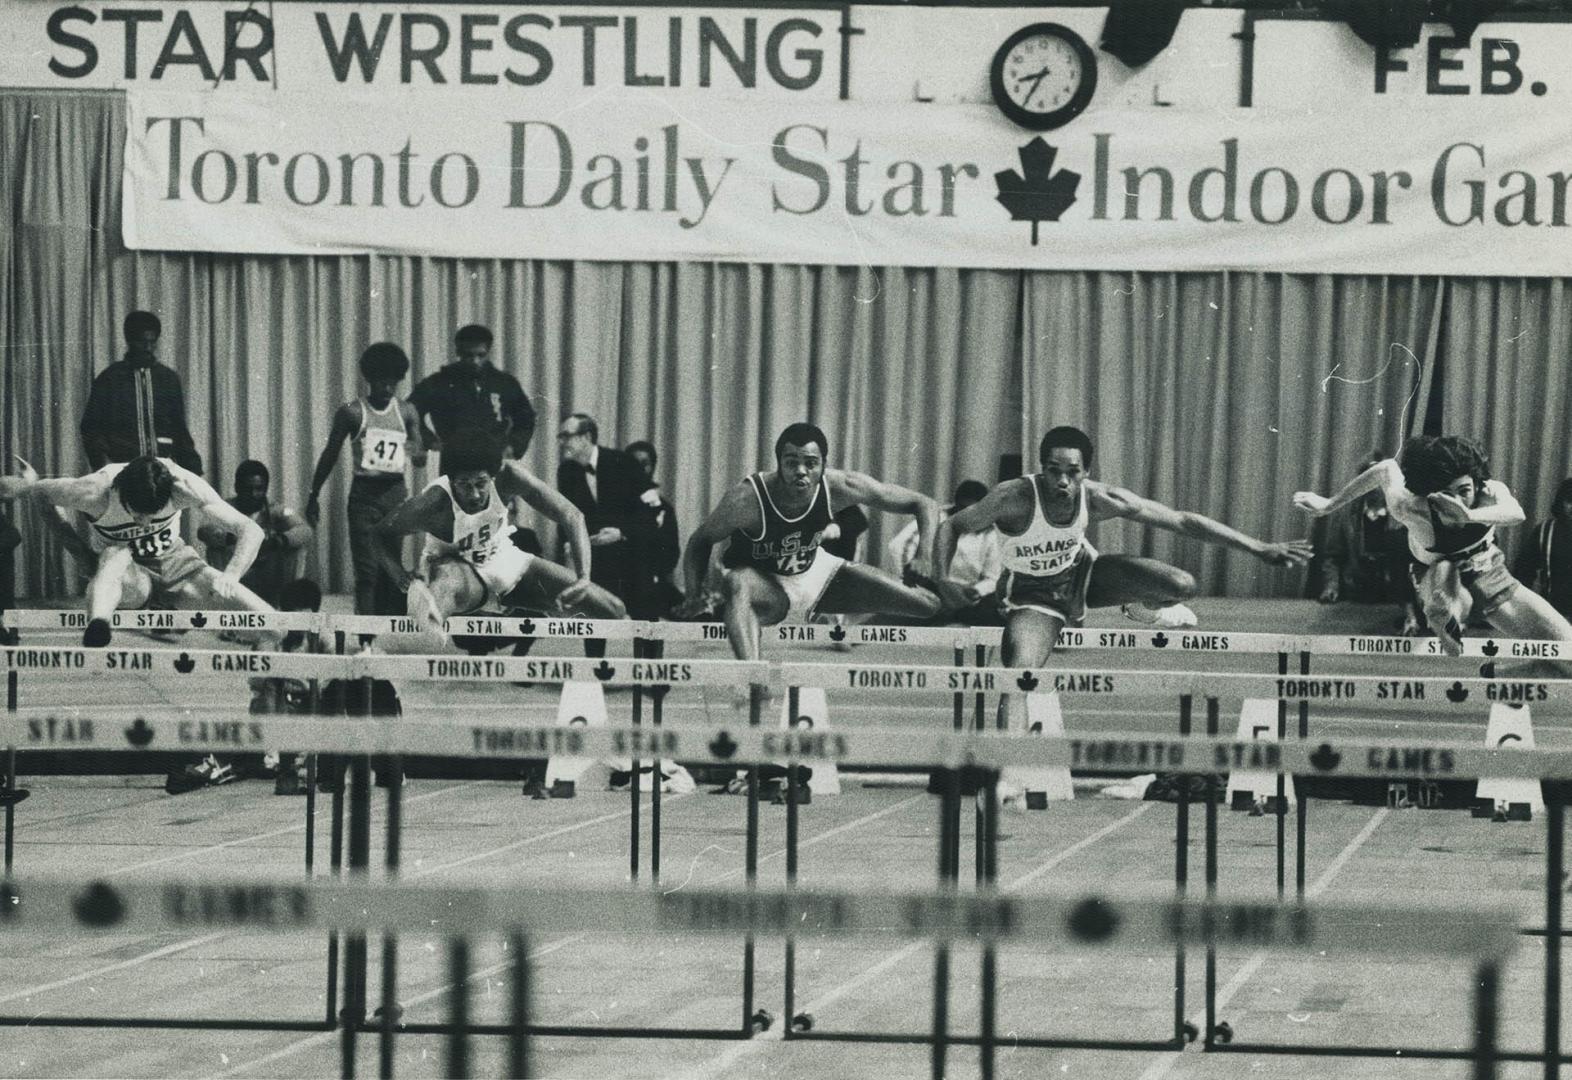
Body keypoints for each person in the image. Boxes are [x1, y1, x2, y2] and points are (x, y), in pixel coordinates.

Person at [937, 426, 1311, 734]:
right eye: (1053, 471)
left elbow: (1181, 520)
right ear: (1041, 468)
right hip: (1033, 595)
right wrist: (941, 580)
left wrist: (1258, 547)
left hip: (1083, 576)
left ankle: (1138, 606)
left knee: (1182, 585)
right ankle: (1008, 776)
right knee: (1020, 676)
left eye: (1072, 473)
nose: (1062, 482)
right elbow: (952, 525)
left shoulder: (1100, 498)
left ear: (1086, 473)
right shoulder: (1013, 497)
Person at [672, 422, 942, 663]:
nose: (801, 471)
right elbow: (700, 540)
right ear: (779, 463)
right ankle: (754, 679)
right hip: (766, 585)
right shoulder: (747, 500)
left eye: (811, 463)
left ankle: (843, 623)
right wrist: (694, 594)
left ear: (824, 464)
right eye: (791, 463)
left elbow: (924, 503)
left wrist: (925, 555)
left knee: (927, 605)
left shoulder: (841, 486)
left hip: (818, 573)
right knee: (736, 582)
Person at [1295, 435, 1572, 655]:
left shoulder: (1490, 492)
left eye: (1464, 491)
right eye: (1445, 496)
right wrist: (1328, 504)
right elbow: (1385, 469)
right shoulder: (1411, 508)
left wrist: (1469, 516)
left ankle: (1497, 678)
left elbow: (1516, 513)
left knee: (1567, 651)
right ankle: (1444, 614)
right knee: (1445, 572)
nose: (1456, 502)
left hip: (1490, 571)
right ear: (1428, 494)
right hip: (1434, 575)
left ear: (1477, 484)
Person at [0, 455, 278, 649]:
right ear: (119, 492)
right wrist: (80, 553)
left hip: (179, 568)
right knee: (115, 556)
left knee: (275, 628)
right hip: (129, 580)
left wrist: (231, 574)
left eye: (152, 515)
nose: (145, 523)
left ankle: (266, 688)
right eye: (138, 515)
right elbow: (40, 495)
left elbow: (251, 530)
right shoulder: (93, 491)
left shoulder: (183, 487)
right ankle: (99, 623)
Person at [375, 429, 625, 645]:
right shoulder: (431, 504)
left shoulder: (510, 477)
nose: (474, 494)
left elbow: (571, 515)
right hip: (455, 567)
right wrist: (399, 575)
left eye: (481, 483)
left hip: (504, 559)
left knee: (613, 610)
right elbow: (379, 534)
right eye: (464, 484)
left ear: (494, 474)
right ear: (451, 481)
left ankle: (430, 612)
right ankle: (427, 615)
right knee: (447, 583)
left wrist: (583, 577)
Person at [305, 343, 428, 624]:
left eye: (393, 382)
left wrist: (416, 451)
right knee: (367, 569)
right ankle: (366, 637)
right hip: (364, 497)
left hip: (396, 495)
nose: (387, 387)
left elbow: (419, 458)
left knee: (391, 566)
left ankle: (389, 631)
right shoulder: (352, 412)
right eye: (381, 381)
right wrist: (313, 494)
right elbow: (329, 455)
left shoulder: (407, 412)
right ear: (369, 379)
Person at [556, 414, 658, 656]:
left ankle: (654, 677)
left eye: (566, 436)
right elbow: (565, 513)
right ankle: (594, 674)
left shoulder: (623, 462)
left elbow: (650, 513)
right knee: (592, 620)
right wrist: (568, 542)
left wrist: (621, 533)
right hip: (596, 560)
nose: (561, 442)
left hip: (631, 557)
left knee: (645, 621)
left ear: (587, 437)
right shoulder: (566, 471)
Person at [1308, 458, 1422, 633]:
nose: (1375, 487)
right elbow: (1333, 556)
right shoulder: (1346, 516)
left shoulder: (1404, 513)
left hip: (1394, 594)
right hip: (1357, 591)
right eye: (1370, 482)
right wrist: (1332, 585)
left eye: (1379, 482)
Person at [80, 311, 202, 473]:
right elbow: (91, 428)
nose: (148, 348)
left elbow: (178, 429)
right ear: (129, 341)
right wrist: (103, 466)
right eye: (142, 342)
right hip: (122, 471)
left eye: (152, 342)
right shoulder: (110, 378)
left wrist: (192, 468)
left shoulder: (168, 379)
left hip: (163, 470)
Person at [409, 324, 536, 458]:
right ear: (458, 352)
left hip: (495, 458)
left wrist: (513, 445)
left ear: (488, 352)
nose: (475, 361)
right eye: (468, 355)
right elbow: (409, 413)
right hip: (454, 459)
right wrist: (430, 441)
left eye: (481, 355)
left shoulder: (504, 382)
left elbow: (526, 419)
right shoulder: (439, 382)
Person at [198, 461, 312, 608]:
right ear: (237, 488)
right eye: (247, 489)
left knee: (296, 548)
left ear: (266, 489)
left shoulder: (275, 510)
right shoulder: (225, 508)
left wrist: (279, 541)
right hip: (236, 577)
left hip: (268, 575)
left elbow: (304, 530)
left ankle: (288, 605)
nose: (253, 494)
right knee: (215, 548)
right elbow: (204, 530)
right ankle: (225, 605)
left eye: (259, 489)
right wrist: (233, 539)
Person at [891, 479, 1004, 626]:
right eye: (963, 508)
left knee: (997, 611)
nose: (968, 515)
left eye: (974, 511)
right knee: (919, 609)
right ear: (955, 504)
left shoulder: (992, 532)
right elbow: (898, 547)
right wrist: (910, 578)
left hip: (966, 592)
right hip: (929, 585)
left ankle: (954, 617)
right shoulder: (935, 519)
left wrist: (974, 591)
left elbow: (993, 577)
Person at [626, 439, 683, 619]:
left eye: (645, 464)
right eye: (633, 465)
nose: (640, 470)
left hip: (651, 582)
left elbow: (672, 552)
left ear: (652, 467)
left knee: (695, 615)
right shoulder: (612, 505)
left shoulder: (664, 508)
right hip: (618, 582)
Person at [1513, 477, 1572, 620]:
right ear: (1561, 502)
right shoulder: (1545, 531)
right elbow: (1523, 572)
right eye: (1570, 501)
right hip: (1554, 613)